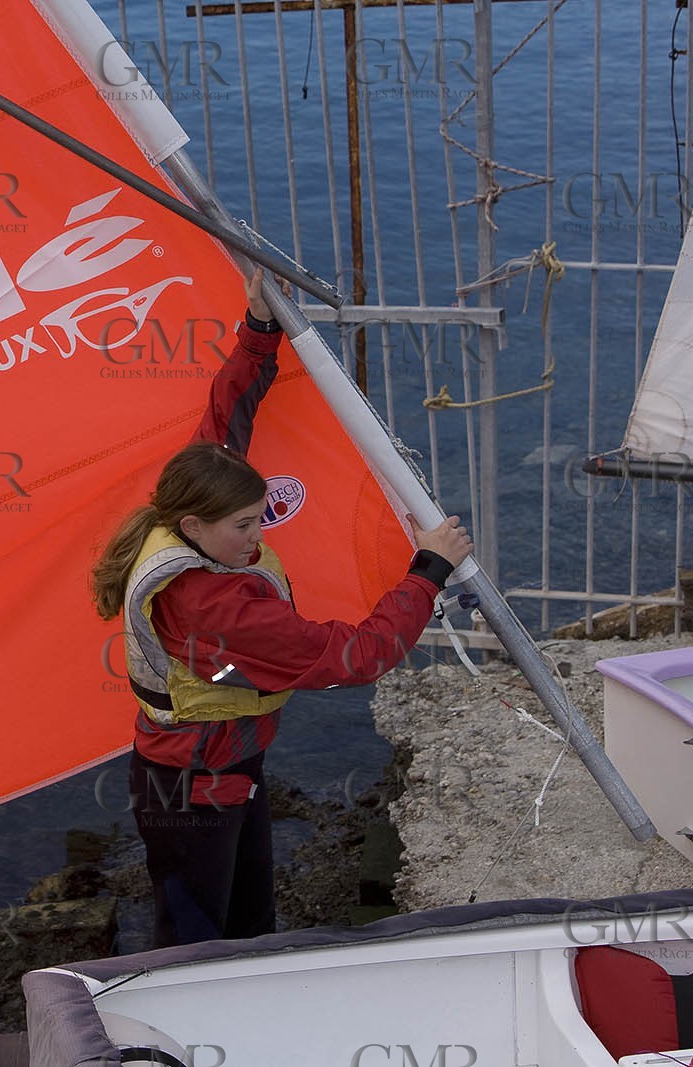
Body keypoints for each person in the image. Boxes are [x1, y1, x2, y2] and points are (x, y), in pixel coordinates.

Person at [89, 268, 473, 948]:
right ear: (195, 525)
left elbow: (226, 415)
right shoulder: (220, 608)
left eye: (258, 517)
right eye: (243, 526)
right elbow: (359, 657)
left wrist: (259, 328)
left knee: (247, 925)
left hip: (218, 764)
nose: (257, 537)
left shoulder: (186, 506)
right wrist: (429, 569)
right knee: (197, 941)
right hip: (195, 783)